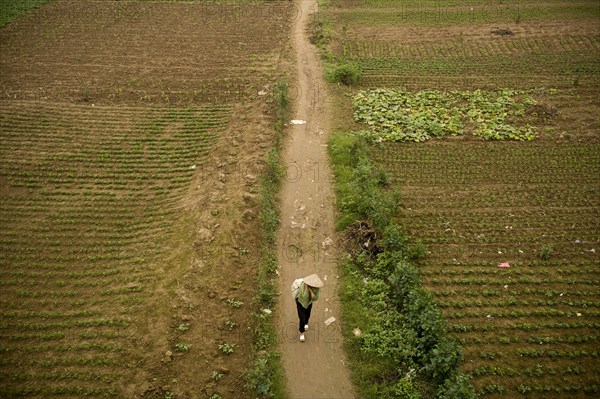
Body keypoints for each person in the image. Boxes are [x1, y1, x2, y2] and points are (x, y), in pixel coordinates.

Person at [292, 274, 324, 342]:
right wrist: (307, 289)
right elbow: (304, 296)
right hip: (300, 302)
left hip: (309, 303)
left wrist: (311, 291)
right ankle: (302, 332)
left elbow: (315, 298)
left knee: (308, 314)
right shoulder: (302, 286)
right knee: (302, 318)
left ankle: (306, 323)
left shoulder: (316, 288)